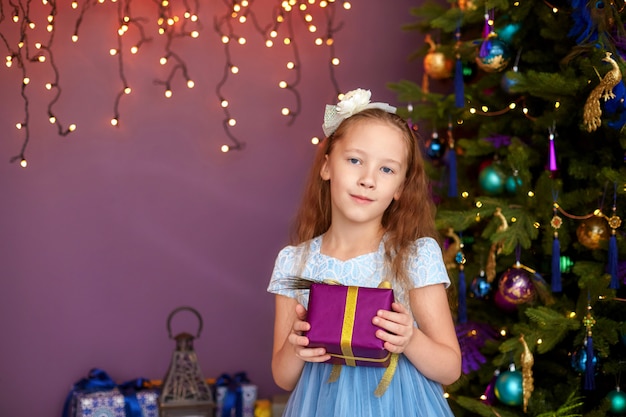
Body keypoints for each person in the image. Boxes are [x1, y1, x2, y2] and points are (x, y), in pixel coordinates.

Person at [267, 88, 461, 416]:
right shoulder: (294, 261)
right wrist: (294, 346)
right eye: (355, 160)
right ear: (327, 166)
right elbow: (283, 378)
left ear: (400, 187)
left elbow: (450, 368)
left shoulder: (416, 256)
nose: (368, 179)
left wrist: (409, 340)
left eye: (387, 170)